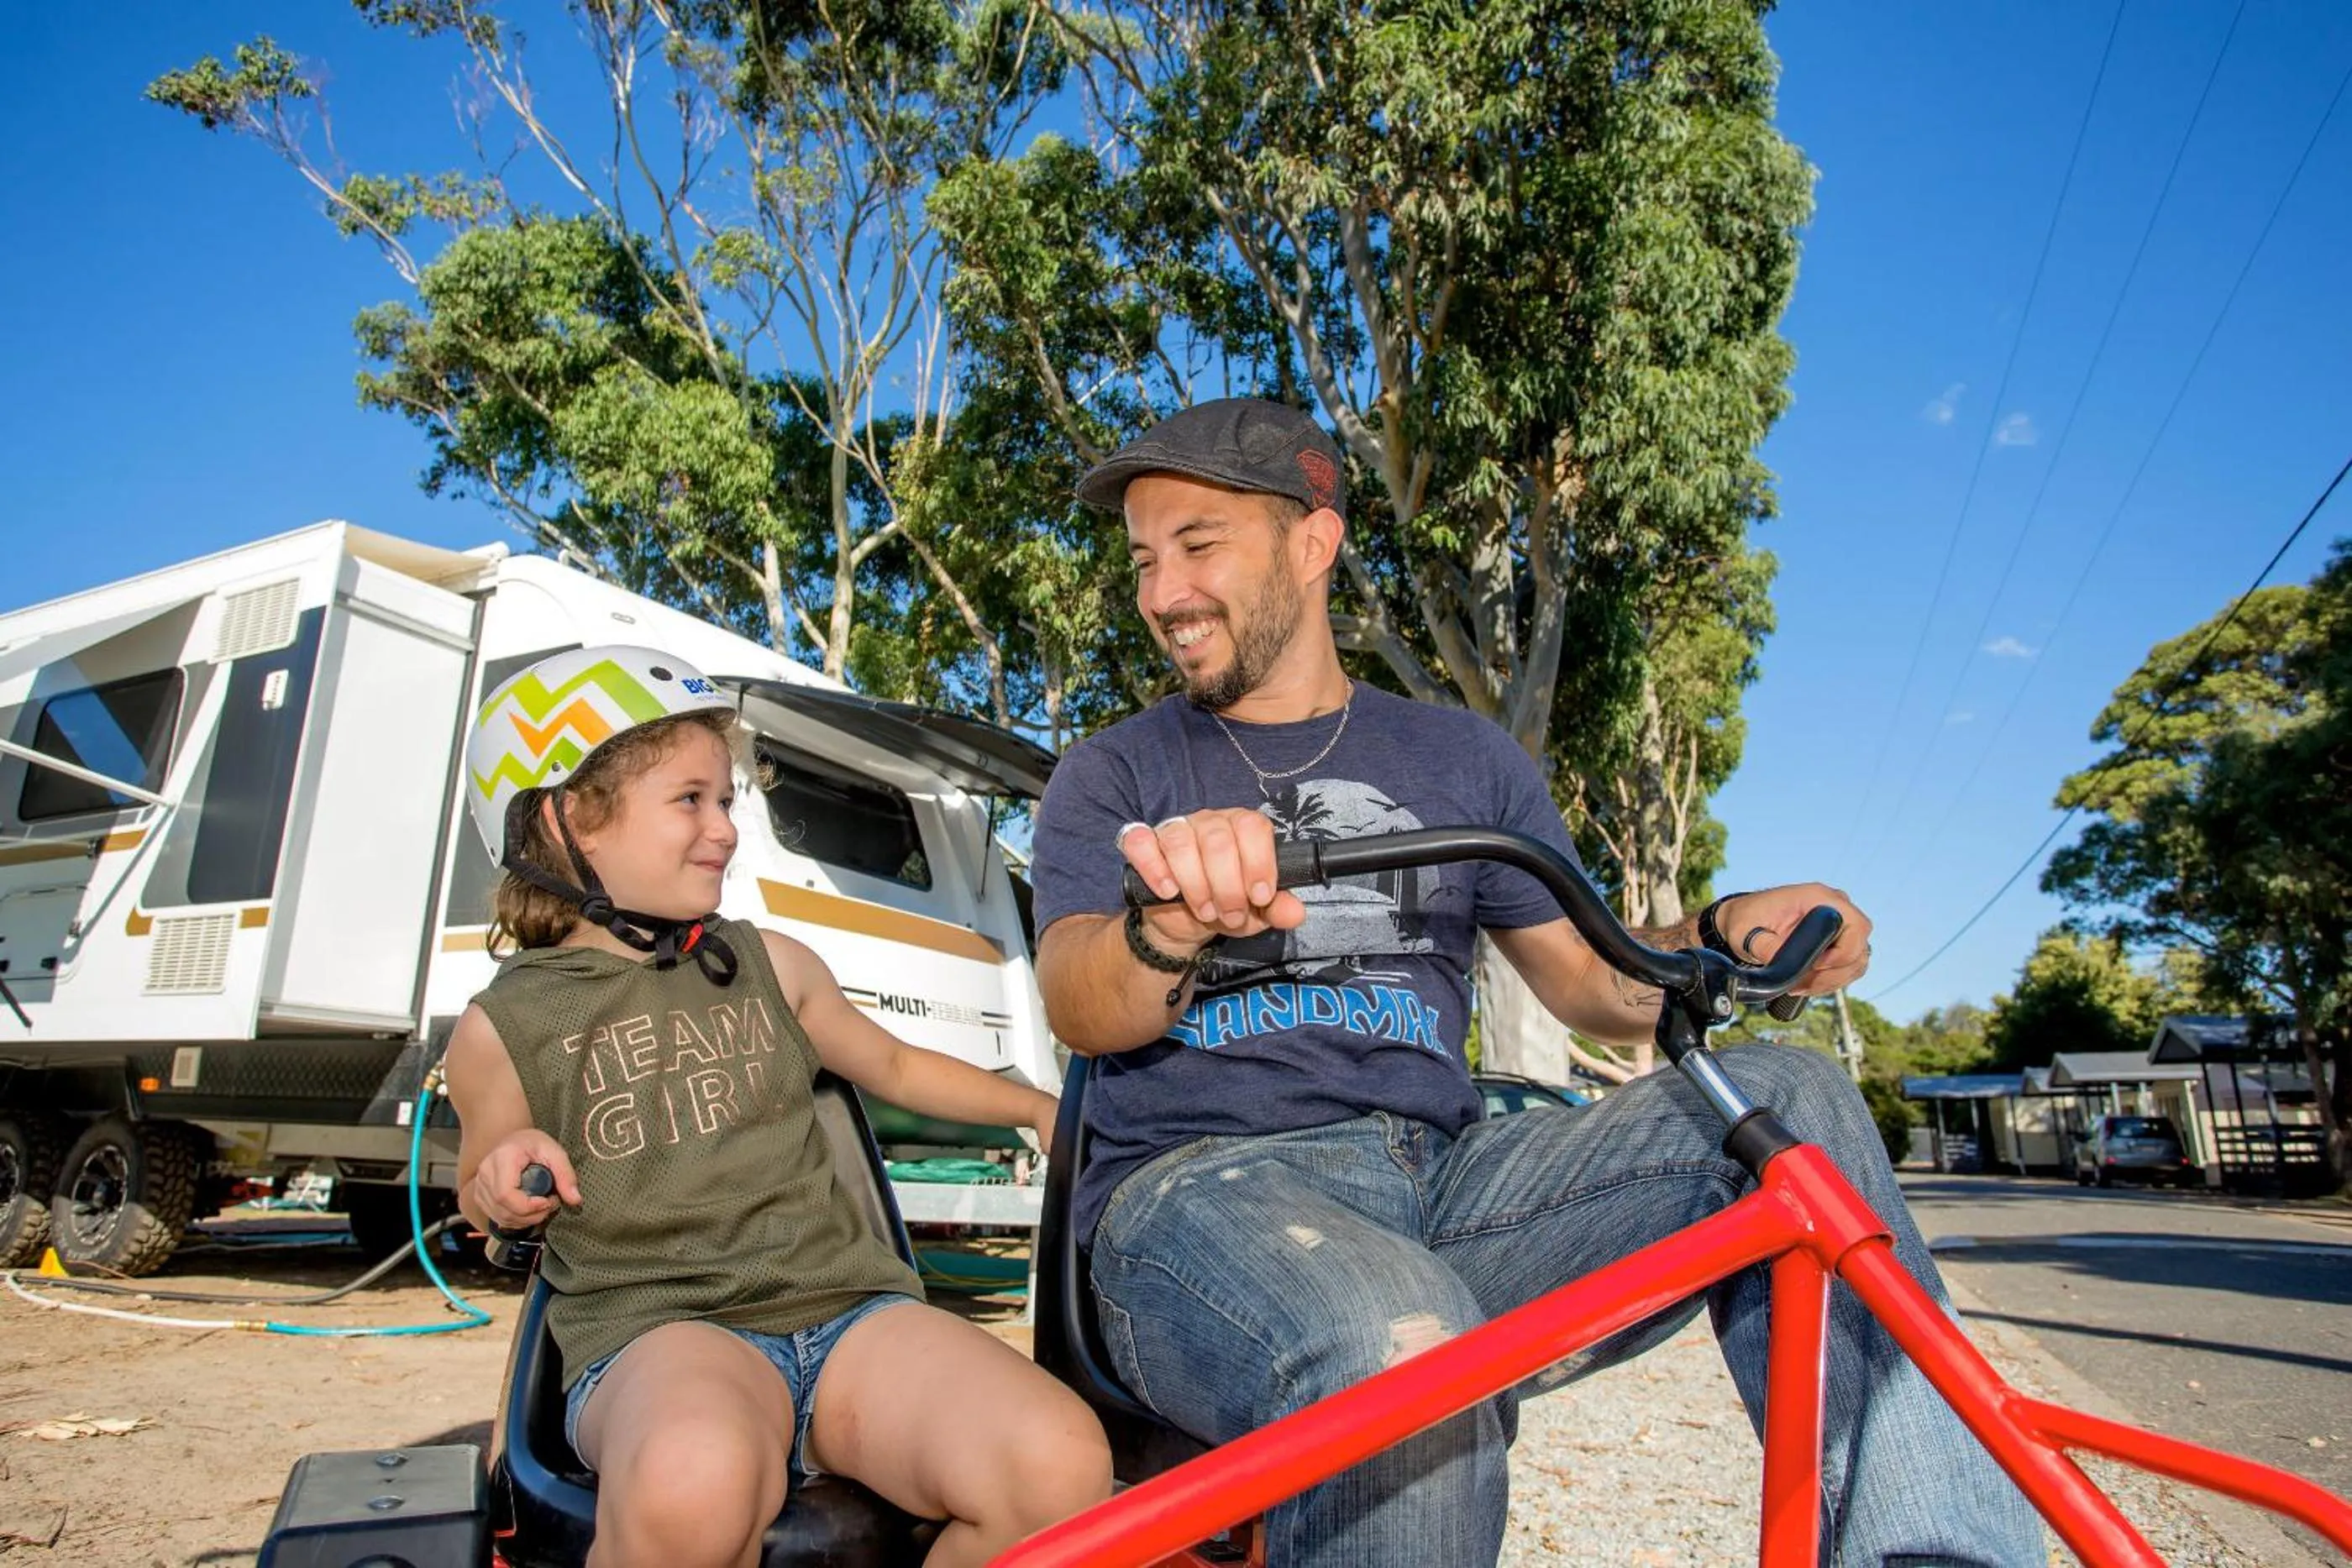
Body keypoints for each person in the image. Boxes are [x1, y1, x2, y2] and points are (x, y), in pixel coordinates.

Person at [1029, 400, 2043, 1566]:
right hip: (1201, 1199)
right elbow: (1077, 998)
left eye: (1198, 545)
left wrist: (1722, 930)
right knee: (1405, 1350)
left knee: (1789, 1103)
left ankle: (1935, 1554)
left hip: (1449, 1184)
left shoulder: (1465, 759)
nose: (1162, 593)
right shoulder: (1113, 771)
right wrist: (1166, 928)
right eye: (1145, 561)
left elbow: (1602, 986)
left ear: (1313, 542)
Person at [442, 646, 1110, 1568]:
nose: (723, 829)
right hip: (660, 1328)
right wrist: (503, 1182)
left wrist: (1035, 1106)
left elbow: (894, 1064)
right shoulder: (501, 1025)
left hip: (846, 1314)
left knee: (1055, 1463)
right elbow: (484, 1187)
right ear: (567, 823)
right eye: (691, 800)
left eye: (726, 801)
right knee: (692, 1479)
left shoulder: (769, 962)